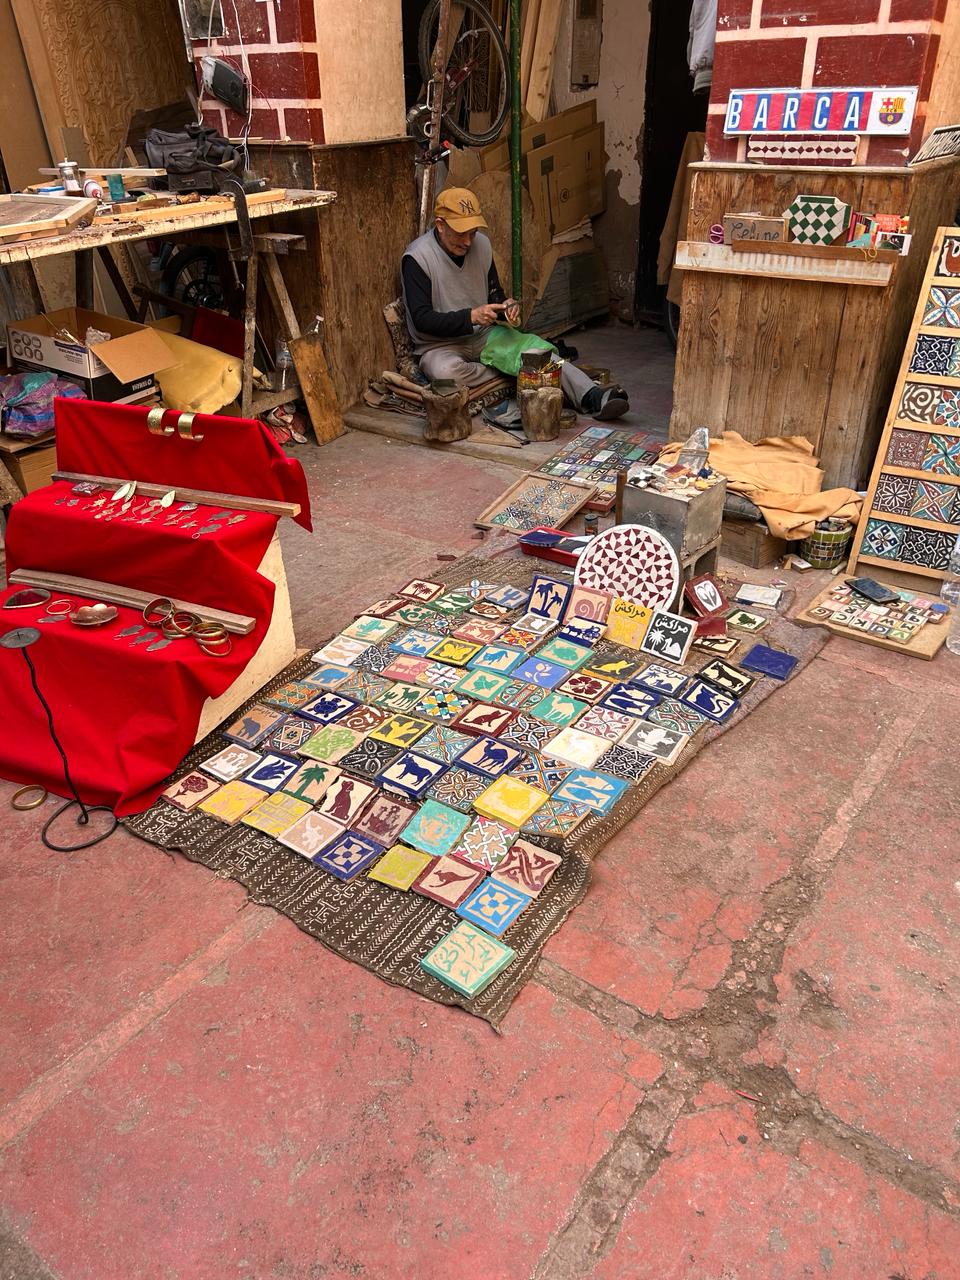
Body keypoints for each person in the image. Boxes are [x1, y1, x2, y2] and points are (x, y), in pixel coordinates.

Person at [401, 187, 629, 420]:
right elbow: (422, 320)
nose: (468, 241)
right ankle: (512, 372)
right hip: (439, 346)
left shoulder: (482, 246)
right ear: (440, 225)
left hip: (482, 335)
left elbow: (494, 294)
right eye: (461, 234)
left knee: (536, 353)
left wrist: (505, 306)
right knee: (445, 373)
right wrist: (471, 317)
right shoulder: (418, 258)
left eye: (473, 232)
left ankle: (592, 395)